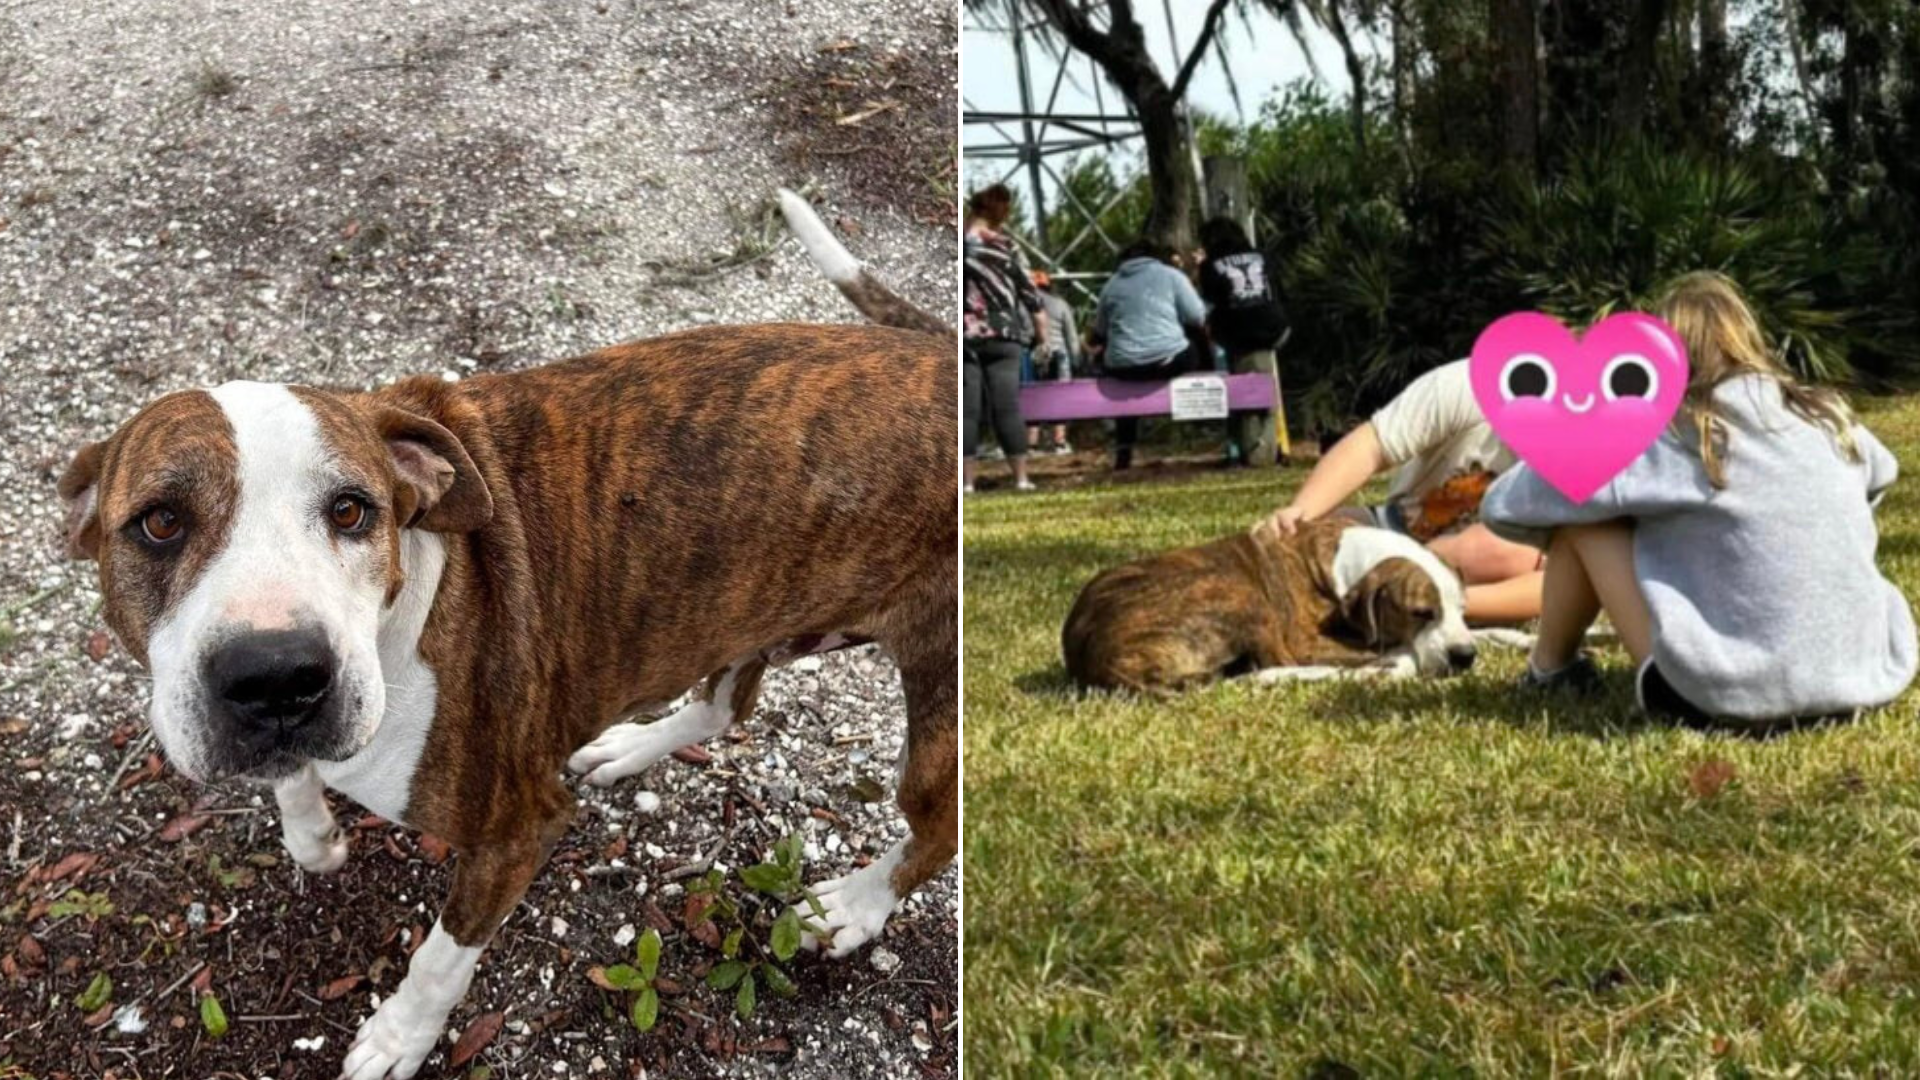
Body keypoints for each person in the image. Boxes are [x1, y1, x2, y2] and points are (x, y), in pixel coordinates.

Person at [1482, 271, 1916, 727]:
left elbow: (1504, 505)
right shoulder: (1827, 415)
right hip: (1864, 677)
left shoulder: (1673, 434)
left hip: (1720, 698)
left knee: (1588, 522)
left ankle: (1551, 669)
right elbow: (1880, 473)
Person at [1257, 359, 1540, 624]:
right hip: (1393, 527)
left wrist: (1440, 602)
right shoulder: (1472, 383)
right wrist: (1301, 513)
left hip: (1488, 569)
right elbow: (1371, 446)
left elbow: (1558, 581)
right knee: (1290, 550)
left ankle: (1396, 601)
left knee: (1506, 550)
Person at [1088, 240, 1209, 470]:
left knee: (1123, 387)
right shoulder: (1171, 276)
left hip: (1123, 367)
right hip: (1168, 361)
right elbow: (1197, 317)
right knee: (1193, 345)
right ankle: (1204, 415)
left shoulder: (1111, 285)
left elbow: (1100, 332)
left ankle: (1124, 449)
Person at [963, 184, 1045, 493]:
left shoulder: (960, 243)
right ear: (1001, 210)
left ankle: (967, 484)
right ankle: (1021, 478)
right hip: (1004, 334)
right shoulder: (1005, 246)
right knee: (1007, 407)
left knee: (968, 411)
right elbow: (1031, 297)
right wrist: (1043, 339)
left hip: (967, 336)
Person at [1197, 217, 1289, 467]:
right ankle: (1271, 444)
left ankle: (1254, 450)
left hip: (1238, 336)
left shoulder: (1210, 265)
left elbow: (1209, 301)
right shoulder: (1264, 256)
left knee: (1245, 391)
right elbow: (1279, 290)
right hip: (1274, 327)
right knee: (1263, 380)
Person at [1027, 269, 1079, 454]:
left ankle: (1031, 445)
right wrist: (1077, 359)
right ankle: (1060, 442)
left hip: (1033, 354)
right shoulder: (1060, 304)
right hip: (1059, 353)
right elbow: (1071, 335)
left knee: (1032, 398)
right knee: (1059, 397)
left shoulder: (1024, 304)